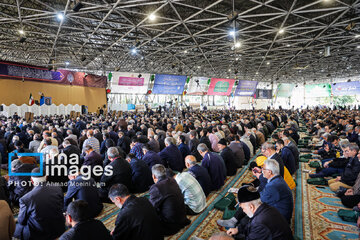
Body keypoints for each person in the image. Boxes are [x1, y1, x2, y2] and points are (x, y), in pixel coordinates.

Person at [14, 167, 65, 240]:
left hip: (39, 235)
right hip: (59, 229)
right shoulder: (58, 188)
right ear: (46, 177)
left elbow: (21, 221)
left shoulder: (25, 199)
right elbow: (62, 207)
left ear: (31, 180)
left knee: (16, 228)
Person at [226, 186, 294, 240]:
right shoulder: (265, 207)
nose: (243, 211)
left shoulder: (259, 222)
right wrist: (238, 229)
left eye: (243, 208)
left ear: (251, 207)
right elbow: (250, 223)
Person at [149, 164, 190, 236]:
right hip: (181, 219)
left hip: (170, 225)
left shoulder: (156, 187)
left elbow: (151, 207)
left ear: (154, 176)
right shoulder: (172, 180)